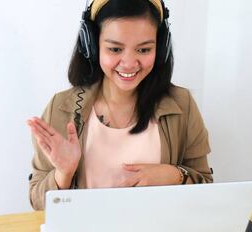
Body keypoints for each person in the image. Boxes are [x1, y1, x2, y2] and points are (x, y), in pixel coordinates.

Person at [27, 0, 213, 210]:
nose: (129, 63)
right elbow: (37, 202)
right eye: (115, 49)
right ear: (92, 45)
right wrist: (64, 173)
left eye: (143, 50)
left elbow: (206, 187)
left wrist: (173, 175)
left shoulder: (182, 105)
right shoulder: (62, 107)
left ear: (160, 48)